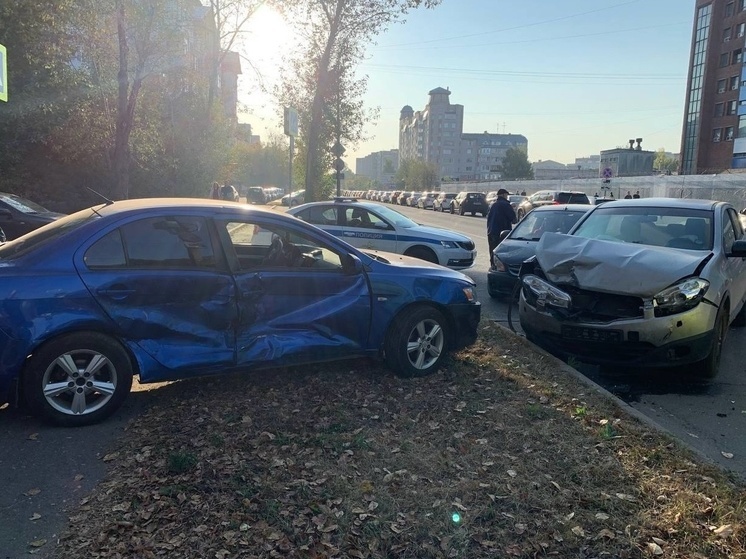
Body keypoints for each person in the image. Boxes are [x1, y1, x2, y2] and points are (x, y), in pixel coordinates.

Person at [486, 188, 517, 269]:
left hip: (491, 232)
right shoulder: (506, 205)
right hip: (502, 234)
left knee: (492, 252)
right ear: (503, 195)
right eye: (506, 195)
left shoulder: (493, 204)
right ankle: (500, 269)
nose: (507, 196)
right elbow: (514, 219)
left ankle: (493, 268)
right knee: (501, 254)